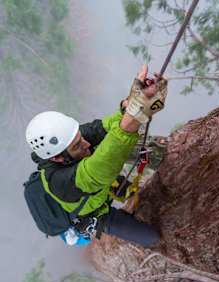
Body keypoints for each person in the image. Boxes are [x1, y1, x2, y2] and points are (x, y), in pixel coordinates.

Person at [23, 65, 167, 247]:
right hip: (96, 213)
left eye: (80, 137)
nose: (87, 143)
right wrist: (136, 114)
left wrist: (131, 103)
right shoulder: (60, 183)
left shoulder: (68, 139)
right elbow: (101, 166)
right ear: (57, 158)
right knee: (152, 238)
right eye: (77, 145)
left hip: (100, 189)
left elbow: (103, 127)